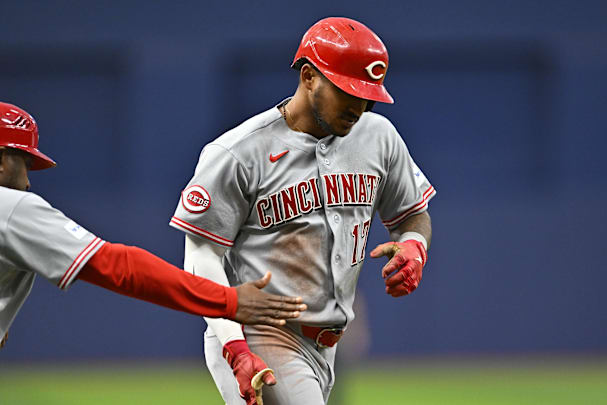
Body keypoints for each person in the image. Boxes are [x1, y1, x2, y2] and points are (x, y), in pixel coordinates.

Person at [170, 17, 435, 405]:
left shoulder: (379, 137)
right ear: (309, 76)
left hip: (329, 343)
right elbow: (201, 253)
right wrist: (234, 347)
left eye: (367, 95)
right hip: (260, 333)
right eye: (347, 91)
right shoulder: (238, 152)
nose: (358, 106)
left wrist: (414, 246)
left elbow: (412, 214)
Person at [0, 101, 307, 351]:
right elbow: (119, 267)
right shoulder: (10, 206)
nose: (27, 181)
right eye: (24, 163)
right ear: (2, 160)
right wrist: (228, 300)